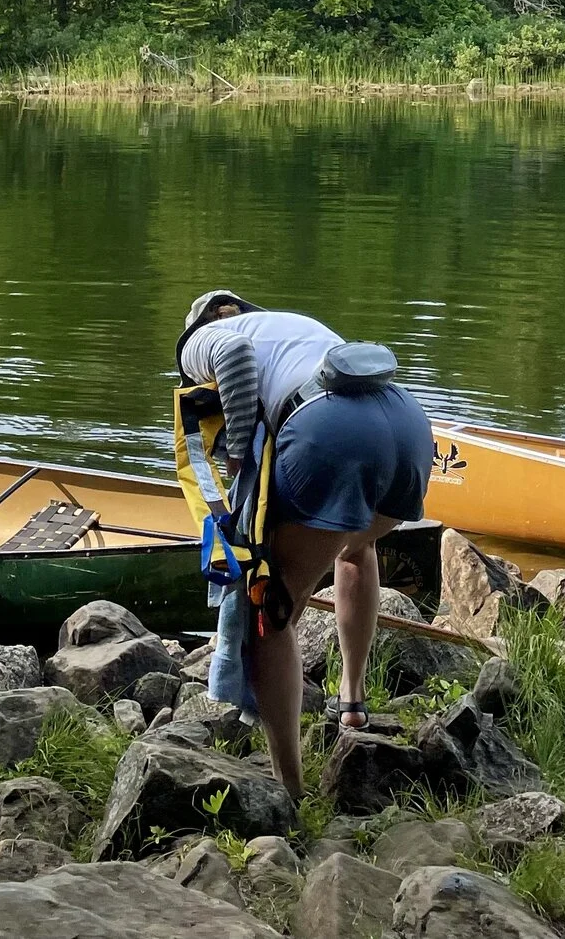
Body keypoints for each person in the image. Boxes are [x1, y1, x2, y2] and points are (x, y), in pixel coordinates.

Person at [177, 288, 434, 798]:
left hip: (330, 435)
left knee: (270, 618)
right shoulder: (292, 324)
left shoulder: (202, 339)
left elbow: (230, 359)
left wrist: (237, 453)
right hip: (408, 426)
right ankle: (352, 705)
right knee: (357, 549)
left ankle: (290, 791)